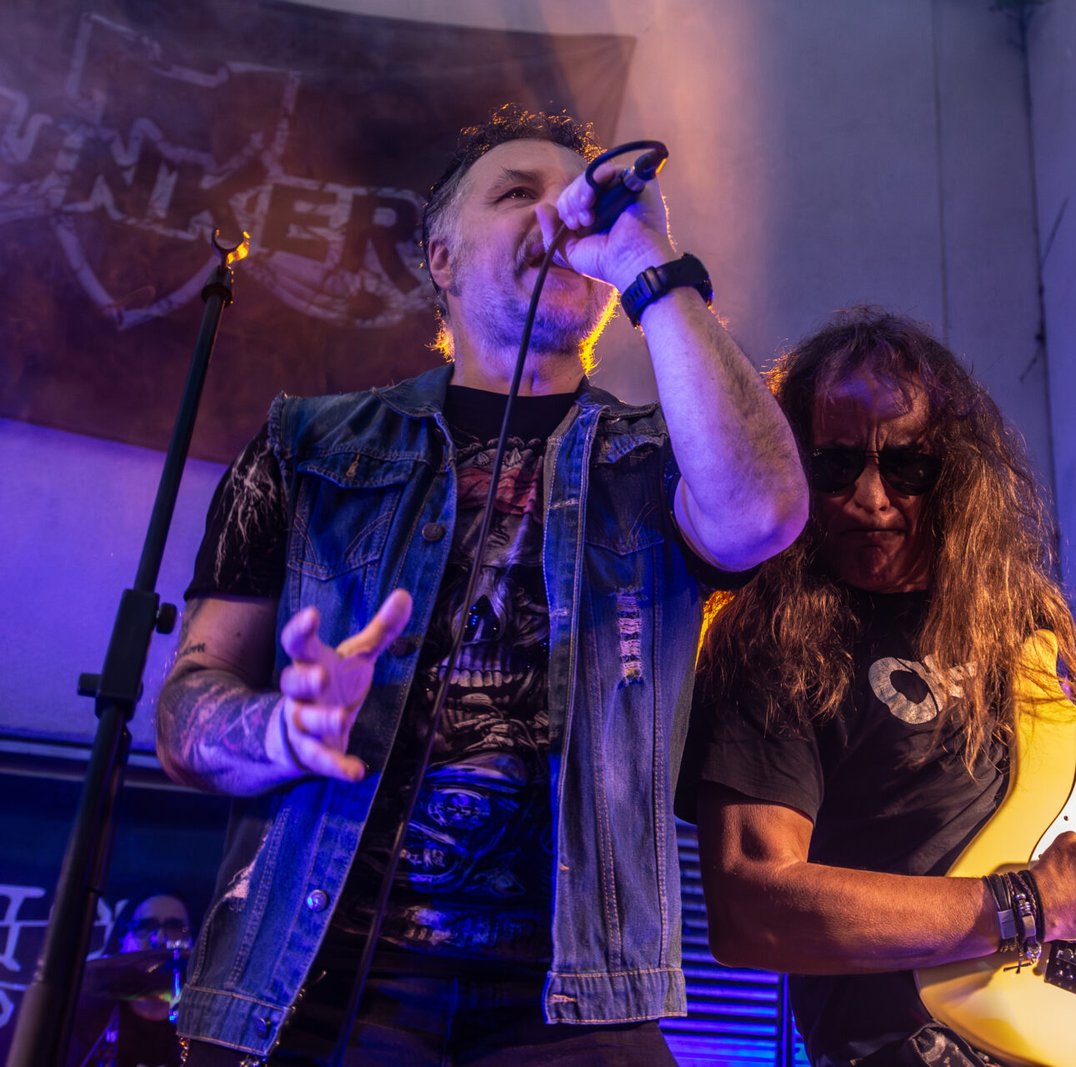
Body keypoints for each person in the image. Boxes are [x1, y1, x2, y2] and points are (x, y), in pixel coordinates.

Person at [155, 105, 808, 1064]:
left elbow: (765, 513)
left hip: (575, 1007)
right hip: (314, 989)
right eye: (516, 194)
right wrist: (281, 730)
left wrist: (647, 262)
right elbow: (184, 712)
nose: (560, 215)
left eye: (574, 196)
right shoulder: (309, 447)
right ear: (442, 258)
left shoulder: (653, 461)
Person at [678, 308, 1076, 1066]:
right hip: (905, 1045)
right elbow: (752, 906)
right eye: (836, 465)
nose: (871, 497)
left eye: (906, 466)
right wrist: (1029, 903)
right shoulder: (773, 645)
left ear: (955, 471)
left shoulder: (1005, 612)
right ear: (794, 464)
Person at [69, 894, 191, 1067]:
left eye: (174, 927)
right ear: (122, 938)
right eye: (145, 926)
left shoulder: (209, 1026)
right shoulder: (82, 1019)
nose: (159, 938)